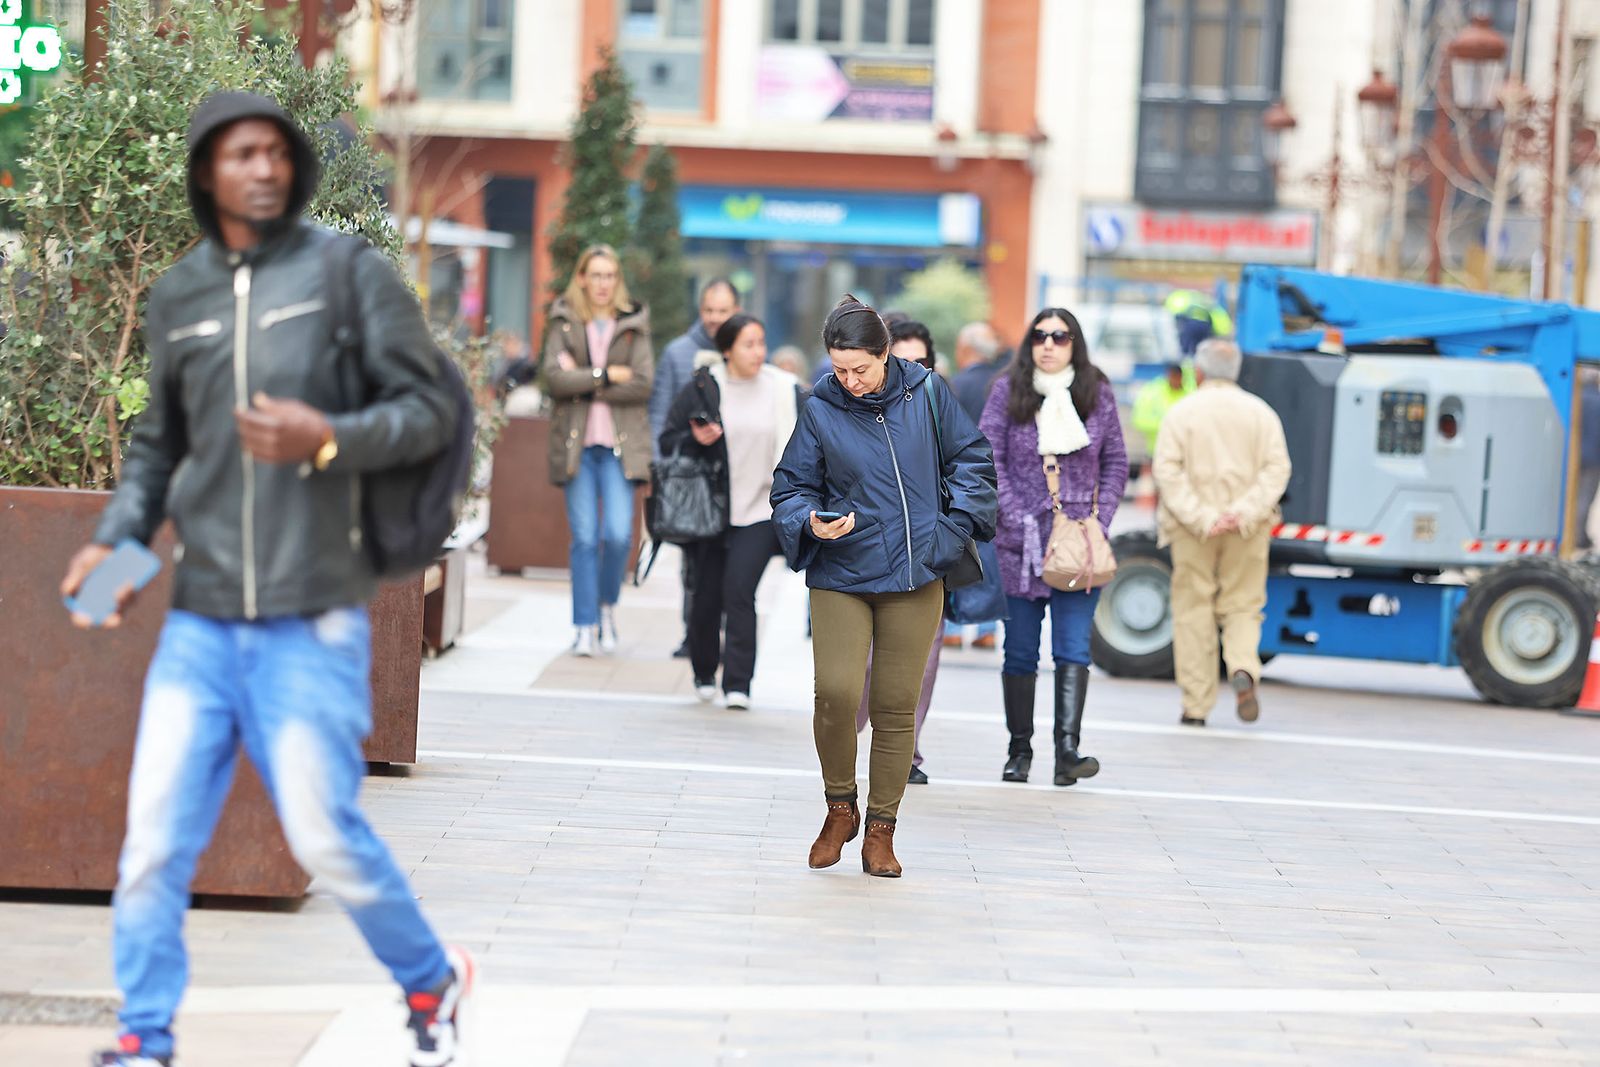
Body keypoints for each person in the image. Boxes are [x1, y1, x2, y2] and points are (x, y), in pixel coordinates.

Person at [59, 92, 471, 1067]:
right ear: (208, 171)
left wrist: (328, 436)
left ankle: (430, 976)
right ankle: (144, 1034)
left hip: (310, 616)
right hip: (199, 626)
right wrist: (117, 547)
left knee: (325, 835)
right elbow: (160, 452)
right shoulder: (181, 296)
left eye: (276, 151)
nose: (264, 167)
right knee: (154, 843)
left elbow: (427, 411)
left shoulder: (344, 274)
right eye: (242, 153)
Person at [772, 295, 996, 878]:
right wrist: (809, 521)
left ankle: (881, 830)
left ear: (885, 353)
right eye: (839, 369)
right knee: (838, 693)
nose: (849, 381)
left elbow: (973, 460)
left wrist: (949, 530)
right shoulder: (820, 407)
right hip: (842, 572)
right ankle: (839, 805)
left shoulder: (926, 393)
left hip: (916, 572)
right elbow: (791, 486)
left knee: (896, 707)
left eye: (860, 370)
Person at [980, 307, 1128, 787]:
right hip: (1019, 544)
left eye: (1059, 336)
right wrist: (1015, 513)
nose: (1048, 344)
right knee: (1020, 651)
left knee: (1072, 648)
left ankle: (1068, 752)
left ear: (1074, 344)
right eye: (1040, 336)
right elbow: (987, 457)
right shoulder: (1008, 390)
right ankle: (1019, 752)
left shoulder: (1096, 393)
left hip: (1079, 544)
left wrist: (1099, 521)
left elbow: (1116, 462)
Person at [659, 313, 801, 709]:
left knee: (739, 591)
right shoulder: (704, 387)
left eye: (761, 343)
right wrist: (695, 438)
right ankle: (704, 670)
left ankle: (738, 683)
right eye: (748, 344)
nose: (759, 352)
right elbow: (669, 440)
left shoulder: (783, 389)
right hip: (710, 510)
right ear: (726, 350)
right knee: (705, 597)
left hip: (759, 510)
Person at [1153, 338, 1290, 727]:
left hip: (1191, 529)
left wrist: (1202, 517)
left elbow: (1168, 470)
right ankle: (1244, 667)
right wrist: (1242, 512)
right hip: (1247, 529)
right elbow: (1276, 470)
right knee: (1244, 605)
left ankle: (1196, 705)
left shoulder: (1181, 413)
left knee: (1193, 608)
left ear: (1199, 371)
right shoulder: (1262, 414)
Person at [543, 244, 654, 657]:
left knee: (619, 535)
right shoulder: (564, 321)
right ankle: (584, 624)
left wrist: (584, 381)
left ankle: (607, 607)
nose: (603, 283)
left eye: (610, 275)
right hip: (578, 449)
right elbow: (554, 379)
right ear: (582, 278)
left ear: (617, 280)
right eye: (596, 274)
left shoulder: (634, 324)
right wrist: (607, 375)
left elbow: (643, 383)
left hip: (619, 449)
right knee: (586, 538)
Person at [853, 318, 945, 784]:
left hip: (926, 552)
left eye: (921, 360)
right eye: (902, 358)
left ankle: (906, 752)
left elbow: (968, 464)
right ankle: (846, 738)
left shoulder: (937, 403)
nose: (912, 368)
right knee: (867, 660)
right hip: (865, 551)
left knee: (923, 658)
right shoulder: (848, 406)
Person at [650, 279, 741, 658]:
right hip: (689, 475)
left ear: (736, 309)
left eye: (723, 311)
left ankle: (714, 632)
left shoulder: (744, 350)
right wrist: (661, 467)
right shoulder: (677, 353)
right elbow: (659, 412)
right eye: (709, 310)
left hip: (735, 476)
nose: (715, 318)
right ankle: (695, 634)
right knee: (692, 560)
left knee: (726, 561)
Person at [946, 321, 1006, 652]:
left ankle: (953, 626)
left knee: (956, 551)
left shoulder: (954, 386)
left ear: (967, 349)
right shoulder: (1000, 386)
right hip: (996, 483)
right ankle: (986, 629)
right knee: (988, 555)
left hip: (960, 482)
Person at [1131, 361, 1195, 458]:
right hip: (1157, 451)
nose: (1174, 380)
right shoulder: (1152, 392)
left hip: (1185, 453)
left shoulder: (1190, 393)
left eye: (1177, 377)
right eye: (1172, 376)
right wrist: (1170, 425)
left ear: (1181, 377)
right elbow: (1139, 420)